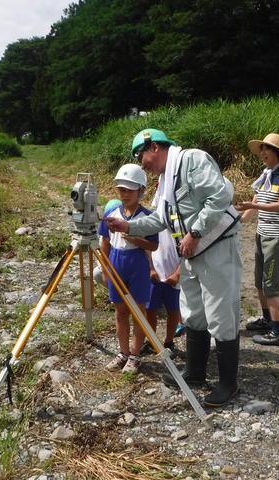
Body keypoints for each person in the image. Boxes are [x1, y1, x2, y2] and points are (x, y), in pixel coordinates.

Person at [102, 128, 243, 407]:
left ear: (154, 147)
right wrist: (128, 225)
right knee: (193, 311)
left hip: (214, 247)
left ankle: (229, 384)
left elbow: (219, 198)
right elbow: (160, 221)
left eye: (140, 156)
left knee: (220, 311)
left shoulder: (193, 160)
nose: (141, 164)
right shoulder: (166, 179)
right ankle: (196, 372)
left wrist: (196, 232)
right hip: (191, 253)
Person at [235, 133, 279, 347]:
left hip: (278, 237)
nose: (262, 153)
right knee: (259, 282)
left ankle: (277, 333)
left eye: (266, 149)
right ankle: (267, 320)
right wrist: (237, 222)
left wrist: (253, 207)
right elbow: (253, 204)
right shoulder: (266, 176)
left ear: (277, 153)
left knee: (271, 285)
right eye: (261, 149)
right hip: (262, 235)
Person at [98, 164, 158, 374]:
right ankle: (123, 352)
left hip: (137, 264)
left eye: (130, 190)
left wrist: (135, 239)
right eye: (121, 190)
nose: (125, 194)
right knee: (120, 310)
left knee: (138, 311)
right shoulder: (111, 213)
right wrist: (105, 269)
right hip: (116, 261)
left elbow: (153, 246)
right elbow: (105, 243)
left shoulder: (147, 217)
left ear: (141, 190)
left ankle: (135, 355)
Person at [140, 222, 182, 359]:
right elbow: (148, 246)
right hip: (155, 274)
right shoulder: (154, 222)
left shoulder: (182, 223)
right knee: (150, 308)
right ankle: (151, 341)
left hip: (174, 275)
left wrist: (177, 274)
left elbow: (190, 252)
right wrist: (151, 268)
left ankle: (169, 342)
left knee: (173, 309)